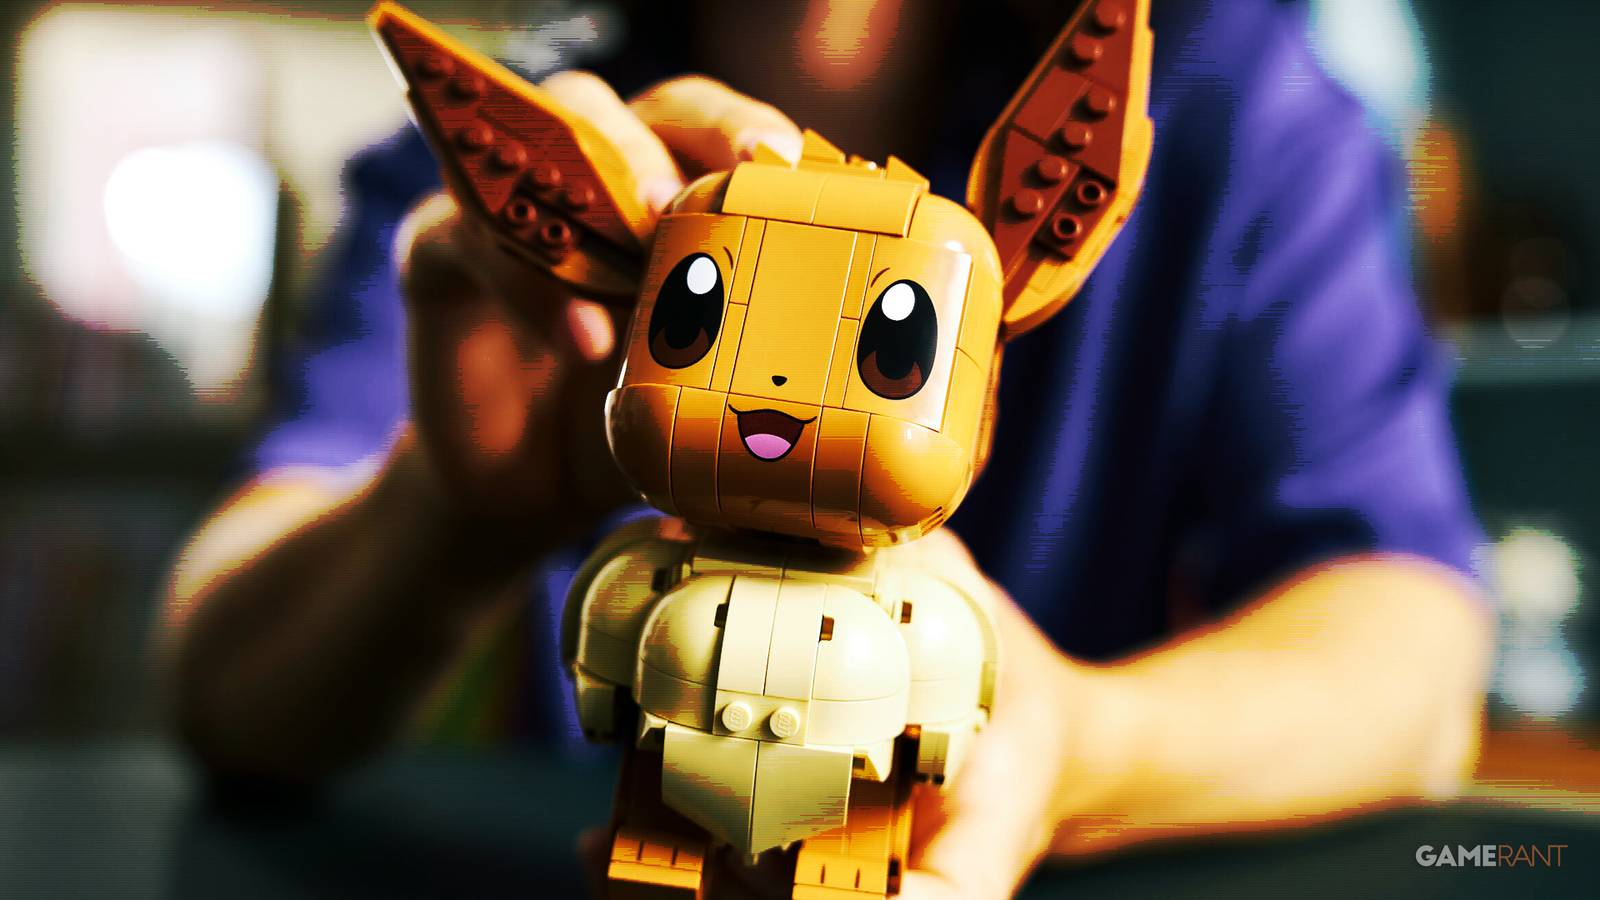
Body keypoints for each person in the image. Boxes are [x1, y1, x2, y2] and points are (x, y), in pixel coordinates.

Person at [163, 1, 1492, 896]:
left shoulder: (1229, 106)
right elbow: (220, 686)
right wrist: (456, 509)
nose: (780, 404)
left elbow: (1416, 659)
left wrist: (1063, 740)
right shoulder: (508, 154)